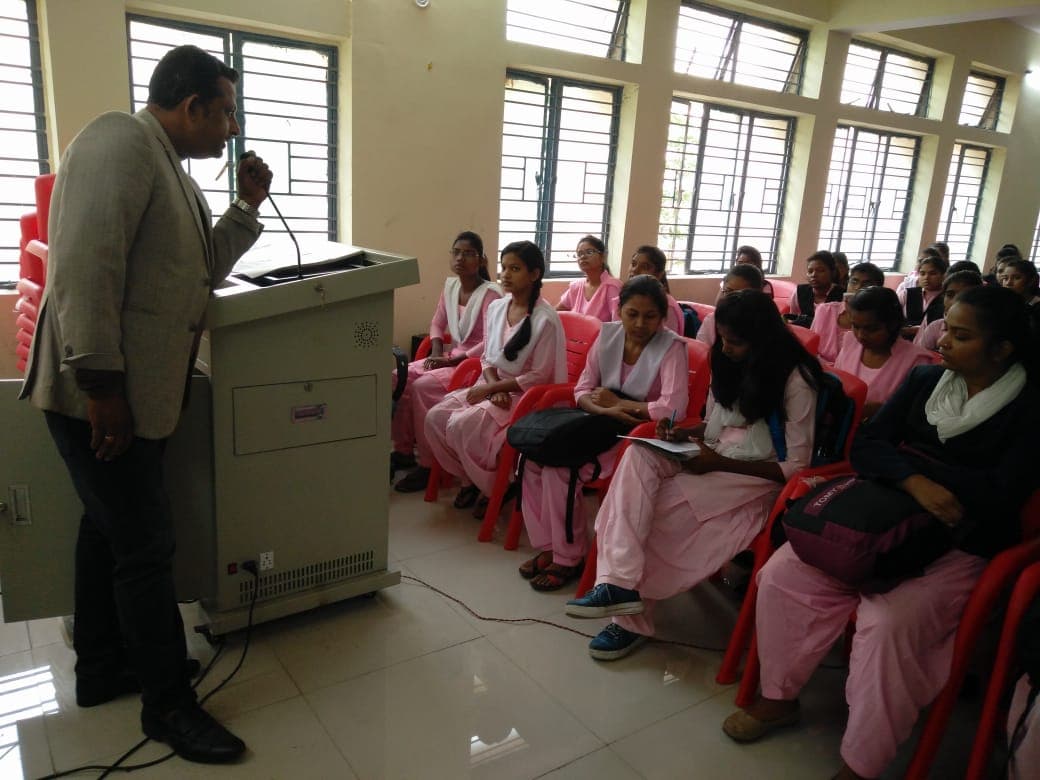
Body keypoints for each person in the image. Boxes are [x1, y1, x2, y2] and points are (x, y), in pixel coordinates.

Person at [19, 45, 272, 763]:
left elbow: (198, 272)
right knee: (145, 547)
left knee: (108, 533)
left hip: (130, 396)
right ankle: (167, 706)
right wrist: (102, 389)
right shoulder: (118, 142)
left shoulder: (175, 174)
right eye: (223, 112)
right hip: (100, 396)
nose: (229, 128)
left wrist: (246, 207)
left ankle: (102, 669)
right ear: (190, 107)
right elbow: (82, 269)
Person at [725, 285, 1040, 780]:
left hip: (960, 541)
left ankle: (862, 761)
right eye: (947, 332)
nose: (945, 344)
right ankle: (778, 697)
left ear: (1002, 349)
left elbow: (1000, 493)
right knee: (784, 573)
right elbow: (869, 444)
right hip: (884, 518)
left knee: (888, 622)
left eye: (961, 336)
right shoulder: (925, 382)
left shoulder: (1029, 409)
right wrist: (914, 478)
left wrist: (911, 466)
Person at [565, 290, 821, 660]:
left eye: (736, 342)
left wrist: (717, 463)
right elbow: (718, 424)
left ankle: (629, 617)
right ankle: (621, 586)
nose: (726, 348)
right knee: (638, 455)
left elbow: (795, 466)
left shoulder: (797, 379)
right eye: (723, 339)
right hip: (715, 454)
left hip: (756, 475)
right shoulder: (729, 360)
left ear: (762, 338)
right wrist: (686, 434)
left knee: (656, 510)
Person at [519, 275, 689, 591]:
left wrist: (621, 404)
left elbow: (672, 408)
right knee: (532, 458)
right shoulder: (608, 336)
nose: (640, 323)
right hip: (598, 420)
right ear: (619, 310)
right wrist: (604, 409)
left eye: (650, 316)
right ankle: (550, 545)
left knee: (562, 471)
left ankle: (569, 557)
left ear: (662, 317)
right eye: (632, 314)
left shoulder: (671, 348)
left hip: (636, 435)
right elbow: (583, 386)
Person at [425, 240, 566, 512]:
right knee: (435, 418)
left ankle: (496, 488)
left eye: (515, 268)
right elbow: (487, 357)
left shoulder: (545, 319)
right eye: (504, 268)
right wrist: (492, 387)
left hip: (523, 395)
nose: (506, 275)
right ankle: (469, 480)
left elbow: (538, 376)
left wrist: (496, 388)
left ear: (535, 274)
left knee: (461, 425)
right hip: (492, 385)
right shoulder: (497, 307)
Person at [392, 231, 501, 492]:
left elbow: (490, 341)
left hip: (474, 363)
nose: (461, 258)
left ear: (482, 260)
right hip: (449, 358)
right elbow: (437, 323)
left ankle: (429, 466)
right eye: (457, 252)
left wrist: (454, 360)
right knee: (398, 376)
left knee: (422, 387)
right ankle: (404, 449)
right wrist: (436, 352)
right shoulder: (451, 287)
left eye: (469, 253)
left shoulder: (491, 295)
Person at [834, 286, 934, 420]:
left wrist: (883, 411)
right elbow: (836, 384)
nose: (861, 335)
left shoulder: (917, 361)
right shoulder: (850, 341)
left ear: (892, 324)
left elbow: (915, 415)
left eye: (871, 329)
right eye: (855, 326)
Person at [810, 262, 885, 363]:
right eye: (854, 282)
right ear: (847, 283)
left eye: (866, 284)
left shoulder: (878, 321)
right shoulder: (825, 310)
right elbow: (811, 345)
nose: (858, 288)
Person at [556, 235, 622, 322]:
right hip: (574, 335)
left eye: (589, 252)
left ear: (603, 257)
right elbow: (556, 311)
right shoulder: (576, 286)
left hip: (604, 335)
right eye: (580, 254)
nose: (583, 257)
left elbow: (617, 325)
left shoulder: (612, 286)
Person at [697, 264, 765, 348]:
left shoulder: (763, 323)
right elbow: (701, 354)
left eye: (741, 294)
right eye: (728, 291)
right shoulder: (712, 320)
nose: (732, 299)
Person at [914, 270, 983, 351]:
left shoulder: (983, 328)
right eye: (950, 295)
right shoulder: (935, 326)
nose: (955, 301)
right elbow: (919, 352)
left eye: (964, 296)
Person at [627, 245, 685, 333]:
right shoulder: (628, 296)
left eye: (645, 267)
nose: (635, 270)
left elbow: (666, 343)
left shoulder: (668, 307)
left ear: (659, 274)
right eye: (634, 264)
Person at [786, 250, 843, 326]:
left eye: (820, 271)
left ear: (832, 273)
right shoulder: (799, 291)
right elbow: (793, 318)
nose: (814, 275)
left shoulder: (841, 295)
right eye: (810, 271)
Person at [902, 253, 948, 334]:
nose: (926, 277)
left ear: (944, 275)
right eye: (922, 273)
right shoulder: (907, 294)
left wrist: (918, 330)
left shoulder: (947, 298)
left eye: (932, 273)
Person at [1000, 258, 1040, 338]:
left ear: (1031, 281)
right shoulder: (1003, 303)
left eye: (1017, 278)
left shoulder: (1037, 308)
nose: (1008, 283)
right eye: (1005, 278)